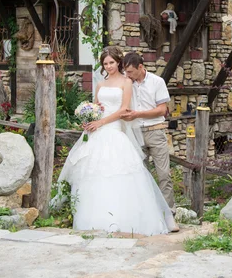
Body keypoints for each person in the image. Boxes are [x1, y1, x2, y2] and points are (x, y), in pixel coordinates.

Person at [55, 46, 177, 235]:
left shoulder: (127, 82)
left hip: (117, 129)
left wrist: (102, 121)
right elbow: (96, 105)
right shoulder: (100, 84)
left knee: (141, 174)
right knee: (94, 172)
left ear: (118, 62)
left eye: (111, 62)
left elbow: (123, 110)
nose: (109, 66)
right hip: (99, 130)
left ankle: (163, 216)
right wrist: (89, 120)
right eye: (105, 63)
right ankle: (96, 217)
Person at [122, 52, 177, 221]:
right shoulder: (127, 83)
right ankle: (147, 214)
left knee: (164, 174)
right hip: (135, 133)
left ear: (140, 67)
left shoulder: (157, 82)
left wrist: (138, 114)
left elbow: (162, 110)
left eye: (130, 72)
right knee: (141, 175)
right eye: (125, 71)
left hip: (155, 131)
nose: (127, 75)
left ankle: (169, 214)